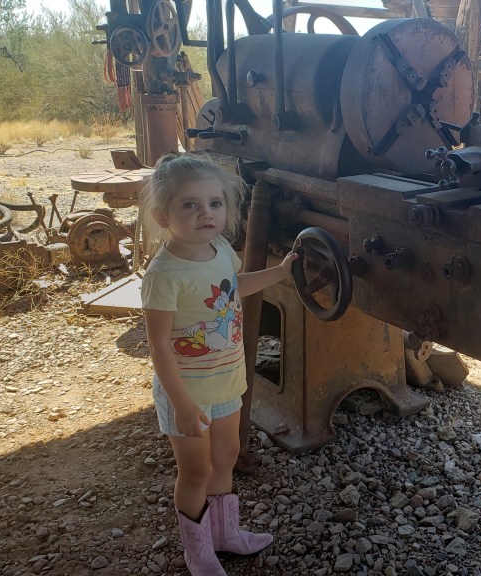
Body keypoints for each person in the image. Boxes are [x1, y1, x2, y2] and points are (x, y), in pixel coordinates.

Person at [140, 153, 297, 575]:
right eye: (189, 204)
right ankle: (198, 551)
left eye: (214, 203)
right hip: (186, 393)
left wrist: (279, 273)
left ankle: (226, 534)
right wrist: (183, 404)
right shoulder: (165, 274)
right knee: (195, 470)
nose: (205, 213)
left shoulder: (221, 249)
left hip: (226, 382)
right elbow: (158, 345)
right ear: (162, 215)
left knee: (225, 457)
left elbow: (234, 287)